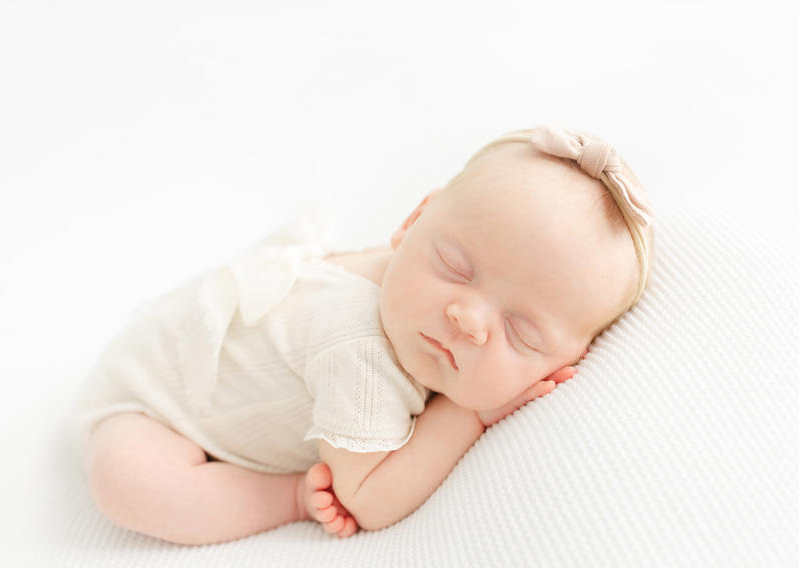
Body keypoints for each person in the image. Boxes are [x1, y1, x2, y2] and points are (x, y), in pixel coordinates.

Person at [77, 124, 655, 545]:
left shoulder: (405, 284)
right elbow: (368, 495)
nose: (469, 320)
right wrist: (467, 416)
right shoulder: (358, 351)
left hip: (190, 342)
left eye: (522, 332)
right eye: (456, 266)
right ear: (410, 223)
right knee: (128, 484)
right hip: (154, 404)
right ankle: (285, 497)